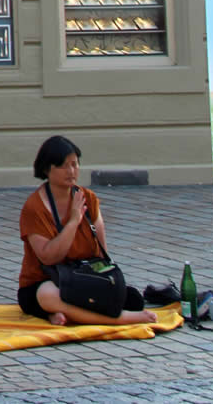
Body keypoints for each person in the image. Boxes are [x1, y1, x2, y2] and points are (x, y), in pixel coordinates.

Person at [17, 135, 157, 327]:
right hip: (48, 280)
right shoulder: (34, 208)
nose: (71, 171)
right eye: (64, 166)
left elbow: (101, 254)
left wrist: (103, 281)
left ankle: (61, 315)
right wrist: (74, 221)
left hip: (81, 276)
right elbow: (49, 257)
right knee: (46, 295)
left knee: (132, 298)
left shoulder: (88, 199)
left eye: (75, 164)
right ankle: (119, 320)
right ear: (46, 169)